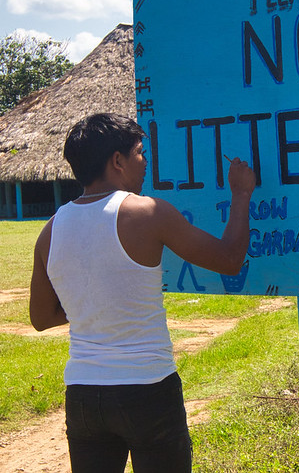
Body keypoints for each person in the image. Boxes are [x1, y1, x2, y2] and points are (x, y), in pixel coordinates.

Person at [29, 113, 256, 473]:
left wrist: (96, 303)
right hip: (147, 389)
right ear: (117, 161)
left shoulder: (51, 230)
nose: (145, 161)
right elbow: (229, 260)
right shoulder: (148, 212)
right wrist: (241, 194)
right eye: (139, 152)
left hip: (83, 395)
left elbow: (41, 318)